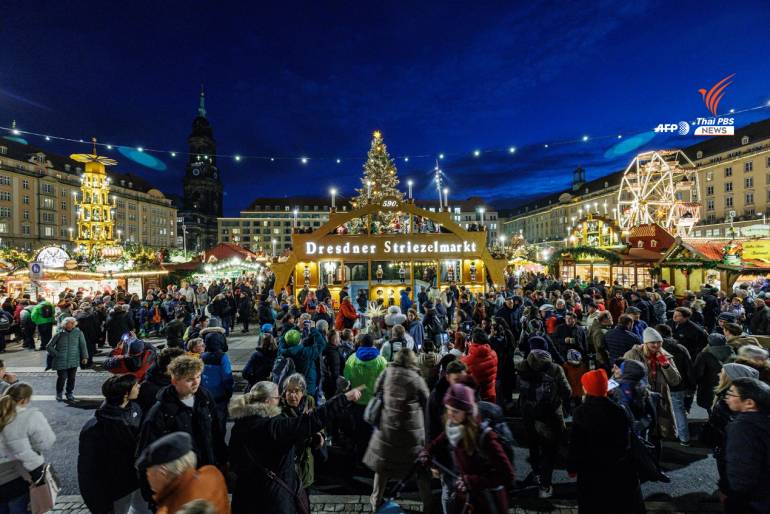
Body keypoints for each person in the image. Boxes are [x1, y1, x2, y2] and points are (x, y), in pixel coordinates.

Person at [228, 380, 362, 514]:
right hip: (273, 501)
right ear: (268, 401)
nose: (279, 401)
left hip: (244, 498)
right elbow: (313, 421)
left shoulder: (239, 426)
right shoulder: (274, 427)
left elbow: (234, 461)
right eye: (277, 397)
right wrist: (345, 398)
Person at [137, 356, 227, 502]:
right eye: (189, 379)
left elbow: (216, 433)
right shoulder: (160, 412)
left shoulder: (205, 398)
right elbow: (147, 454)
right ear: (174, 381)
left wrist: (222, 461)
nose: (196, 382)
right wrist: (154, 496)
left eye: (198, 376)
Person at [420, 383, 515, 514]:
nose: (451, 415)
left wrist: (472, 480)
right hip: (468, 499)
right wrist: (427, 451)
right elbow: (439, 441)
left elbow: (508, 476)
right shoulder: (454, 428)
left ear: (467, 411)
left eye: (455, 411)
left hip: (488, 502)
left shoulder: (485, 438)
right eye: (448, 409)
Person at [363, 349, 432, 513]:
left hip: (387, 430)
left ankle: (376, 501)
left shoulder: (387, 373)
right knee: (421, 471)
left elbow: (376, 391)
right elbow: (427, 402)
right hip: (411, 434)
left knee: (382, 469)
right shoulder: (416, 378)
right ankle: (429, 505)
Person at [567, 369, 644, 514]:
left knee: (592, 504)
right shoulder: (618, 410)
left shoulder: (581, 412)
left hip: (590, 470)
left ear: (587, 388)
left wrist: (572, 467)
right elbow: (625, 442)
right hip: (617, 468)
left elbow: (576, 444)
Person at [78, 375, 150, 514]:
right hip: (117, 488)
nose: (139, 386)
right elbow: (88, 471)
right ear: (125, 394)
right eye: (135, 385)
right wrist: (99, 506)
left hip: (138, 481)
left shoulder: (135, 408)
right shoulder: (96, 428)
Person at [517, 349, 571, 498]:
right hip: (549, 416)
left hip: (528, 414)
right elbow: (567, 391)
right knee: (549, 450)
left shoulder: (521, 369)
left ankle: (537, 473)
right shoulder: (555, 370)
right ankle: (545, 486)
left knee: (533, 444)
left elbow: (519, 389)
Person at [702, 363, 759, 499]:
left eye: (722, 372)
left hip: (728, 455)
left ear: (730, 378)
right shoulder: (751, 399)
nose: (719, 374)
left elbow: (715, 435)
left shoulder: (726, 402)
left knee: (731, 490)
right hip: (743, 456)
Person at [137, 432, 230, 514]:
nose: (147, 476)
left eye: (148, 471)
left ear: (162, 471)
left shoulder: (169, 509)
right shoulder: (212, 477)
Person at [0, 383, 56, 513]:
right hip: (21, 475)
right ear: (24, 400)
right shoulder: (31, 416)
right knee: (20, 507)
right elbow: (46, 442)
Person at [623, 327, 682, 441]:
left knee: (657, 433)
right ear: (645, 343)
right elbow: (621, 375)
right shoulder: (632, 355)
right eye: (652, 342)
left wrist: (666, 366)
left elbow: (675, 381)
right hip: (640, 399)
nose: (656, 345)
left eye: (659, 342)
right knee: (642, 429)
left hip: (659, 399)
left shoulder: (665, 356)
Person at [723, 377, 770, 513]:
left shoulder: (742, 427)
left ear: (749, 403)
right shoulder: (765, 420)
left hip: (753, 502)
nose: (727, 397)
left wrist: (731, 498)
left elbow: (742, 472)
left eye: (731, 393)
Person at [343, 333, 387, 456]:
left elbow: (346, 378)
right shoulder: (381, 360)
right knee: (373, 431)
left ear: (360, 343)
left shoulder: (352, 359)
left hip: (356, 402)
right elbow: (385, 382)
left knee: (358, 431)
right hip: (373, 403)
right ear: (373, 344)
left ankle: (359, 456)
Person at [280, 374, 322, 492]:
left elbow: (318, 422)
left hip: (306, 459)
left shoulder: (309, 401)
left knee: (305, 493)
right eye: (289, 391)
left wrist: (320, 434)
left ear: (302, 392)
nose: (293, 395)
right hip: (288, 461)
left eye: (296, 391)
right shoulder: (280, 407)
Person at [657, 324, 694, 446]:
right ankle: (684, 438)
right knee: (679, 411)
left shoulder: (653, 350)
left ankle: (663, 435)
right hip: (678, 385)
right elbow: (689, 368)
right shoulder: (680, 348)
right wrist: (691, 386)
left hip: (660, 386)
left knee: (660, 411)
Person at [46, 316, 88, 402]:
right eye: (70, 323)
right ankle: (59, 393)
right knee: (62, 377)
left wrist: (85, 357)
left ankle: (69, 393)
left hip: (74, 359)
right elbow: (49, 346)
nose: (72, 325)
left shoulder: (78, 332)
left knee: (72, 378)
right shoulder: (59, 333)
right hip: (61, 360)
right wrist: (57, 354)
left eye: (73, 323)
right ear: (65, 324)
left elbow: (83, 346)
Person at [201, 332, 234, 433]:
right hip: (220, 395)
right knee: (219, 423)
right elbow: (227, 376)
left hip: (206, 394)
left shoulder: (202, 356)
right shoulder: (223, 357)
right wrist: (229, 391)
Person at [137, 347, 185, 415]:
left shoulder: (183, 381)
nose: (185, 368)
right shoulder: (148, 388)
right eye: (180, 365)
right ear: (168, 368)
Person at [694, 333, 735, 413]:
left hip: (708, 389)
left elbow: (698, 373)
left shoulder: (703, 355)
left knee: (711, 410)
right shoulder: (732, 353)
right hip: (728, 389)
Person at [462, 328, 498, 403]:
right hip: (491, 397)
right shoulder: (494, 354)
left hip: (477, 401)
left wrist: (467, 351)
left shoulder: (467, 361)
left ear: (472, 341)